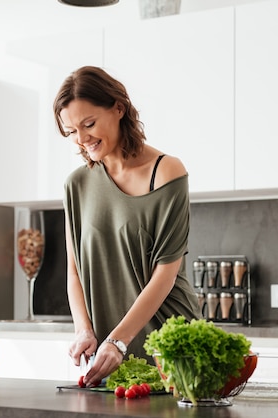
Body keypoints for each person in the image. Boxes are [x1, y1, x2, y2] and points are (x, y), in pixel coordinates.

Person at [53, 66, 202, 387]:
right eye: (71, 131)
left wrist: (118, 340)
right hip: (110, 348)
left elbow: (166, 273)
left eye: (89, 124)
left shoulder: (166, 171)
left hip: (168, 338)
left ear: (119, 108)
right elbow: (74, 272)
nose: (81, 139)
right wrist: (84, 331)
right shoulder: (76, 184)